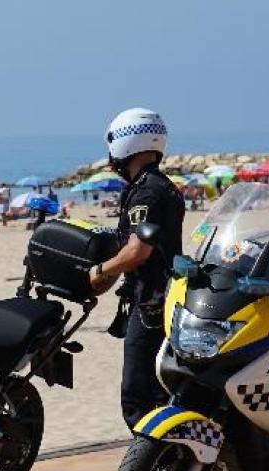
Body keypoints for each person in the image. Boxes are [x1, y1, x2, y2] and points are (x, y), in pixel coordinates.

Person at [88, 108, 185, 428]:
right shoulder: (163, 185)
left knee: (137, 398)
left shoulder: (146, 191)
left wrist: (102, 271)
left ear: (126, 141)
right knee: (160, 389)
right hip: (168, 297)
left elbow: (138, 250)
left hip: (151, 301)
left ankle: (150, 469)